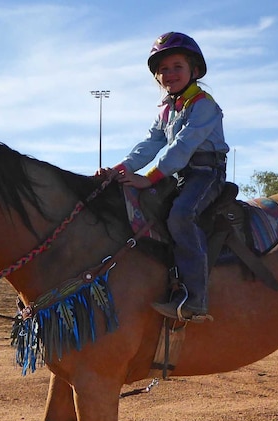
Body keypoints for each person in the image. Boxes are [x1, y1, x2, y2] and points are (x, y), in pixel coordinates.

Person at [99, 32, 229, 321]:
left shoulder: (204, 105)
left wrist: (150, 178)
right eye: (163, 69)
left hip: (206, 173)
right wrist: (119, 171)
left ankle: (195, 298)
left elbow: (182, 147)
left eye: (176, 67)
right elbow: (149, 144)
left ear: (194, 70)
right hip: (180, 175)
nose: (169, 74)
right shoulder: (167, 110)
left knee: (181, 215)